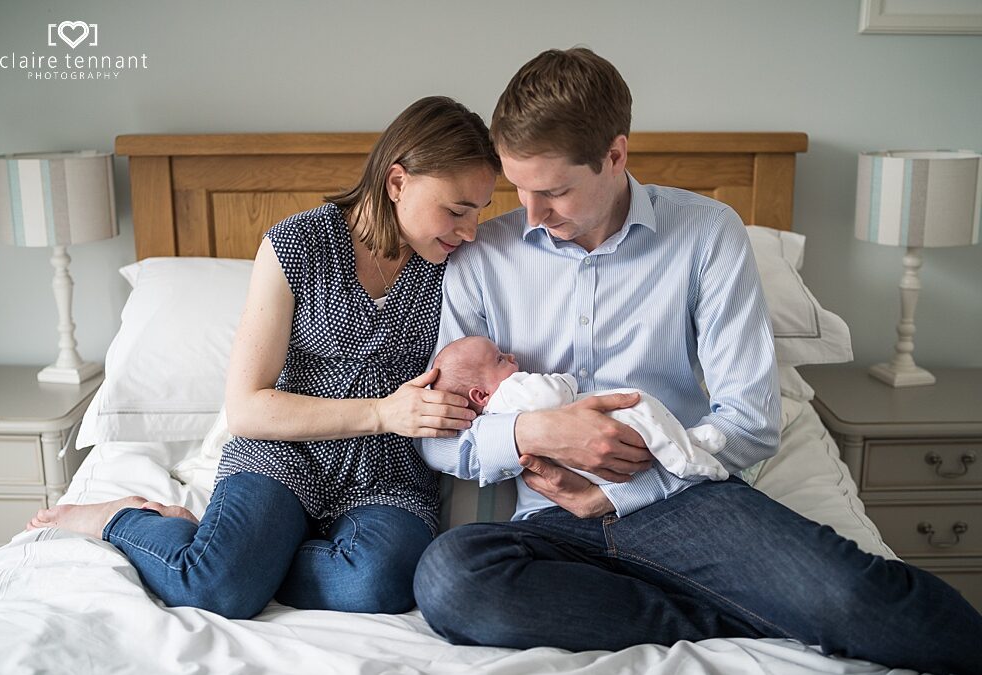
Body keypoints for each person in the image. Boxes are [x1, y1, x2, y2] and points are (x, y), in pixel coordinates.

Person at [413, 49, 982, 675]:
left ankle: (742, 599)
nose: (534, 214)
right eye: (519, 189)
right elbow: (439, 439)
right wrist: (533, 430)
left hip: (685, 501)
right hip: (551, 521)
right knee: (449, 579)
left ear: (616, 156)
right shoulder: (481, 258)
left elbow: (752, 417)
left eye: (554, 192)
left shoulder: (707, 234)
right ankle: (717, 613)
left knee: (856, 598)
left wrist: (635, 486)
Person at [27, 96, 499, 619]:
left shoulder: (459, 268)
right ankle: (120, 519)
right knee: (214, 588)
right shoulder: (295, 246)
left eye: (480, 211)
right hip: (283, 453)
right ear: (397, 182)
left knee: (377, 584)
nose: (470, 231)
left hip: (387, 474)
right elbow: (247, 407)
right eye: (456, 211)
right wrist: (382, 412)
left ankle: (238, 553)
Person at [432, 335, 729, 482]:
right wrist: (566, 380)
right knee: (640, 408)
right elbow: (550, 397)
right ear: (481, 395)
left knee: (644, 416)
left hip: (586, 471)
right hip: (598, 431)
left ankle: (685, 441)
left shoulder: (497, 410)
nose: (509, 356)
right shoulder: (509, 393)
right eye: (499, 359)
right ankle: (681, 457)